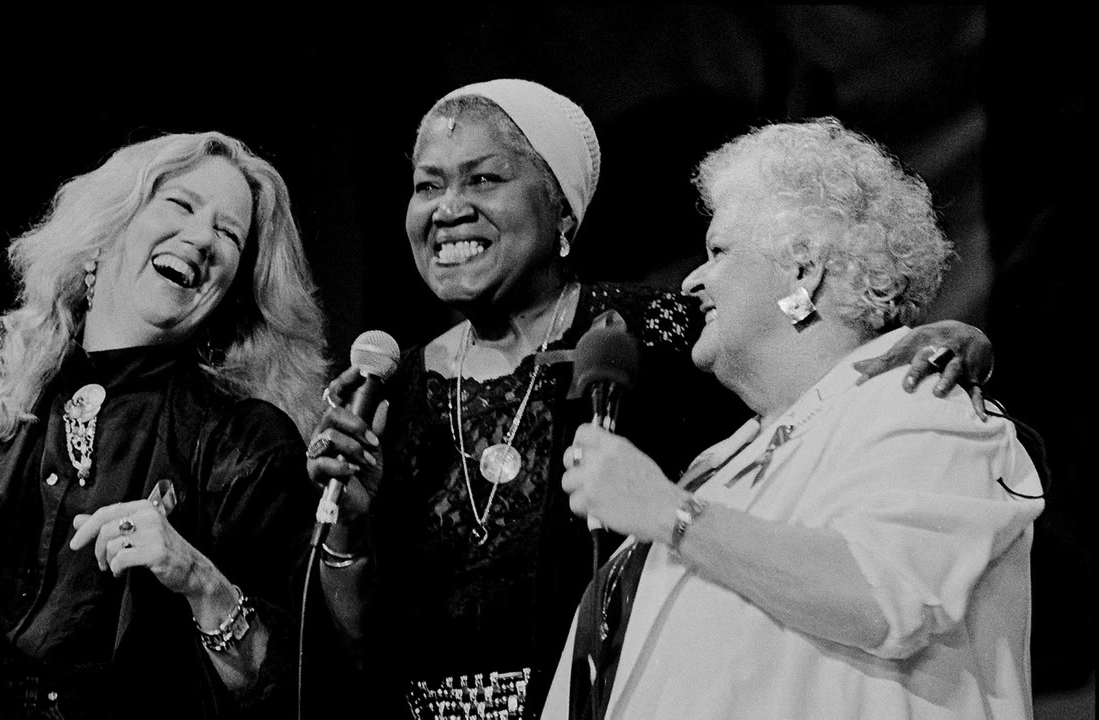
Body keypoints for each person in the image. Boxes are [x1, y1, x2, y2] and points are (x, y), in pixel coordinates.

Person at [307, 79, 997, 719]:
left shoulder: (655, 335)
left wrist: (944, 338)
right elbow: (360, 645)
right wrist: (347, 533)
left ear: (562, 208)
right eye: (427, 185)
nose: (448, 208)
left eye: (483, 178)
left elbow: (809, 363)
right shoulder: (390, 393)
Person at [544, 117, 1044, 719]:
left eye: (718, 252)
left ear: (803, 270)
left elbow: (878, 594)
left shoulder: (921, 402)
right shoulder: (720, 463)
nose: (692, 280)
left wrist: (667, 512)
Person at [0, 132, 329, 719]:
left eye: (229, 234)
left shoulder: (244, 445)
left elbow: (293, 691)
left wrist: (199, 580)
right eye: (180, 205)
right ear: (102, 232)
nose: (203, 238)